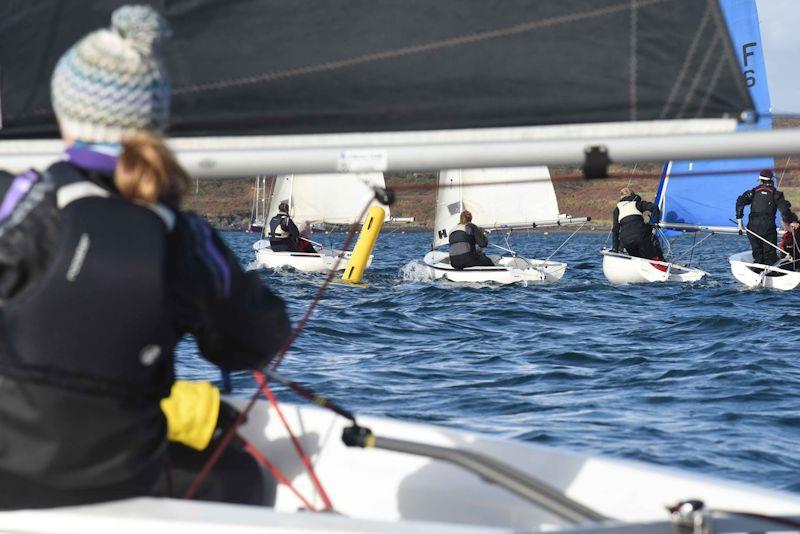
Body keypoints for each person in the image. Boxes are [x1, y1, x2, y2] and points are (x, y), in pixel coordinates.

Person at [0, 6, 290, 509]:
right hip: (124, 483)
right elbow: (251, 341)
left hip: (8, 477)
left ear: (66, 117)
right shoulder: (182, 235)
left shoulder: (18, 205)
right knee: (241, 473)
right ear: (155, 122)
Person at [736, 169, 792, 265]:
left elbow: (739, 203)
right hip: (768, 229)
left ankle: (758, 269)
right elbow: (785, 210)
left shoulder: (752, 192)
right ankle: (771, 272)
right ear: (772, 180)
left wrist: (740, 223)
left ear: (760, 180)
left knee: (757, 253)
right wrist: (789, 223)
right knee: (769, 255)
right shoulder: (776, 194)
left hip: (753, 229)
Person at [611, 187, 665, 261]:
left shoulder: (617, 209)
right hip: (641, 236)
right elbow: (654, 207)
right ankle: (660, 261)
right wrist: (655, 222)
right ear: (633, 195)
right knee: (652, 242)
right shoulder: (638, 204)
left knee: (637, 257)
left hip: (626, 240)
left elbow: (615, 230)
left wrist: (615, 248)